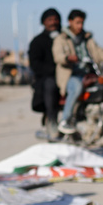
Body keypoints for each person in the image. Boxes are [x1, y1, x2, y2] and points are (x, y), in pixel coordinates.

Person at [53, 9, 103, 135]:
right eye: (77, 23)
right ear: (70, 22)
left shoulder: (87, 38)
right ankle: (65, 120)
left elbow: (98, 52)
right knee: (76, 87)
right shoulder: (61, 38)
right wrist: (68, 58)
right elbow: (58, 56)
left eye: (82, 23)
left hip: (89, 74)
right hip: (70, 75)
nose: (80, 26)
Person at [28, 7, 62, 140]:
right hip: (46, 78)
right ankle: (51, 120)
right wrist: (54, 70)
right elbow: (35, 64)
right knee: (50, 85)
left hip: (67, 75)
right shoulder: (37, 41)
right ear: (44, 22)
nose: (53, 22)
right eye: (50, 19)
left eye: (55, 19)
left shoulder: (65, 38)